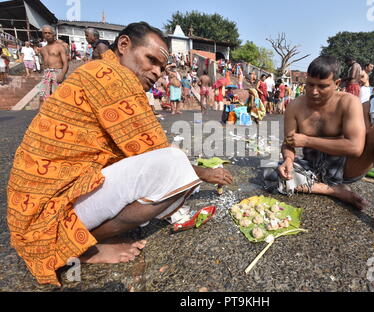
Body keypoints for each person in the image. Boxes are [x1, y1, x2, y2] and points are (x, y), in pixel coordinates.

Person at [7, 21, 234, 286]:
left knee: (174, 165)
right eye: (151, 60)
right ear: (124, 45)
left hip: (36, 210)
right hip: (47, 216)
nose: (156, 72)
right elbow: (158, 153)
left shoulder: (101, 70)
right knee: (174, 166)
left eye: (161, 67)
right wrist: (206, 173)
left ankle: (85, 234)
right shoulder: (112, 76)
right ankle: (81, 248)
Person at [273, 55, 374, 260]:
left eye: (322, 86)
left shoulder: (349, 102)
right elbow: (289, 143)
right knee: (273, 173)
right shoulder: (295, 106)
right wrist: (288, 159)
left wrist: (307, 140)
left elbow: (355, 147)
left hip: (346, 166)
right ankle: (333, 191)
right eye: (310, 85)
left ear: (337, 83)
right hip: (311, 168)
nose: (314, 92)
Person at [38, 26, 69, 106]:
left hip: (57, 73)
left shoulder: (60, 47)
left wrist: (62, 74)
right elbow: (44, 63)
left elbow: (65, 63)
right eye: (45, 33)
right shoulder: (42, 49)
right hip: (46, 74)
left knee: (59, 99)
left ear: (53, 34)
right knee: (42, 98)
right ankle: (41, 118)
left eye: (49, 33)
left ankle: (61, 117)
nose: (47, 35)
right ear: (43, 35)